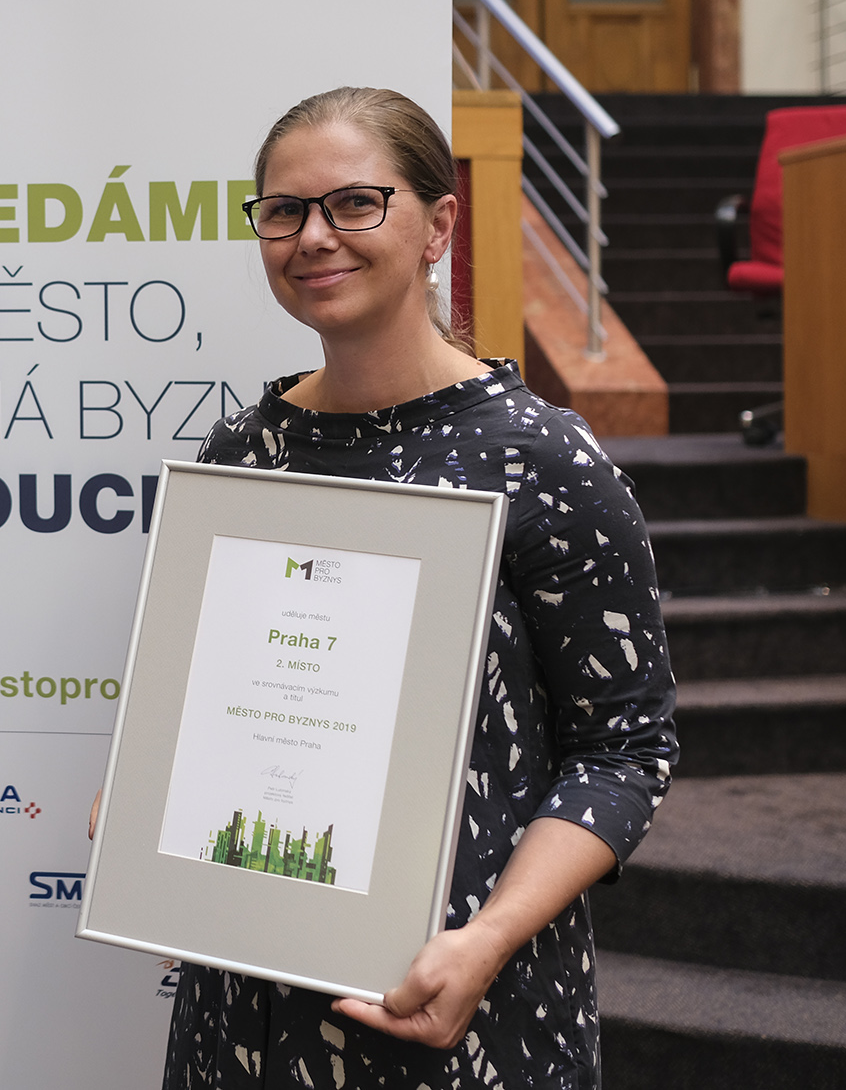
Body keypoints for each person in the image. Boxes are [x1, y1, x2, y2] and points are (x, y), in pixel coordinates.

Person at [157, 87, 677, 1090]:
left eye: (355, 203)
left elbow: (623, 751)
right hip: (241, 1007)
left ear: (439, 226)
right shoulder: (240, 453)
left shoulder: (542, 460)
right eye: (284, 211)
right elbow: (208, 697)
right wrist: (156, 792)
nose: (314, 237)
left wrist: (487, 938)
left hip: (454, 999)